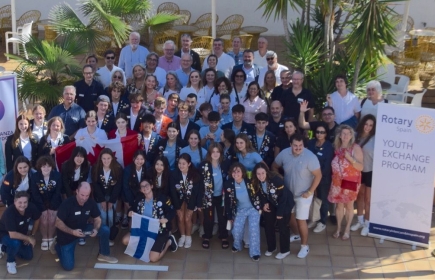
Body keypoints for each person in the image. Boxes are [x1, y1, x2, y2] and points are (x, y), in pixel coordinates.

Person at [272, 134, 322, 259]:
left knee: (301, 220)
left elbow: (318, 175)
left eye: (300, 145)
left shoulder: (310, 157)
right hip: (288, 194)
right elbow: (274, 166)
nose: (298, 148)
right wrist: (280, 178)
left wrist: (310, 192)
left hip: (304, 195)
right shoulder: (284, 153)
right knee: (290, 217)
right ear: (291, 145)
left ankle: (304, 246)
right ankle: (296, 234)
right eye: (295, 145)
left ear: (304, 145)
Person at [53, 182, 118, 271]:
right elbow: (57, 223)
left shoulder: (90, 202)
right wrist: (72, 232)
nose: (84, 198)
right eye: (82, 195)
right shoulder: (67, 203)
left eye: (87, 195)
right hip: (67, 234)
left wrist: (95, 229)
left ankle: (104, 254)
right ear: (77, 191)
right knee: (68, 267)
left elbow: (97, 219)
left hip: (83, 229)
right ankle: (57, 245)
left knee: (105, 230)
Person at [122, 178, 178, 261]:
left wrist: (166, 219)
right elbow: (132, 209)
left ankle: (169, 241)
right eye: (142, 186)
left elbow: (172, 211)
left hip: (159, 231)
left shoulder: (162, 198)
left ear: (151, 186)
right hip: (143, 230)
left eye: (147, 185)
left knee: (153, 258)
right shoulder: (139, 199)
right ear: (140, 190)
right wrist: (130, 212)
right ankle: (148, 246)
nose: (145, 187)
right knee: (125, 240)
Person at [327, 125, 363, 241]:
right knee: (339, 205)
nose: (346, 136)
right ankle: (338, 228)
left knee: (349, 205)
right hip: (337, 182)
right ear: (339, 135)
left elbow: (361, 167)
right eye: (343, 133)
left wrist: (350, 158)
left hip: (350, 181)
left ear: (352, 135)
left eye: (348, 133)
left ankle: (347, 229)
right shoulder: (336, 147)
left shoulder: (355, 148)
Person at [252, 162, 294, 259]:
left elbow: (284, 197)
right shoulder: (256, 181)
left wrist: (280, 213)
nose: (261, 176)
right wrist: (264, 203)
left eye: (262, 173)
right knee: (268, 224)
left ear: (266, 172)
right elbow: (259, 193)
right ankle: (272, 247)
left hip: (284, 204)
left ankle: (285, 250)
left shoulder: (276, 180)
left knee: (282, 226)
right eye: (258, 174)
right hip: (272, 202)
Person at [225, 162, 261, 261]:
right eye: (233, 171)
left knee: (254, 231)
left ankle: (255, 252)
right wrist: (229, 217)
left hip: (253, 209)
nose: (235, 173)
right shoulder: (229, 184)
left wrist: (261, 206)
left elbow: (259, 193)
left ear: (243, 172)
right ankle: (237, 245)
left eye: (238, 171)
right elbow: (227, 202)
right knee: (236, 230)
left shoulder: (250, 181)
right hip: (240, 209)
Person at [0, 192, 40, 274]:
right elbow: (12, 234)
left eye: (25, 202)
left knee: (28, 256)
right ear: (15, 202)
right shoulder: (9, 213)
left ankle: (4, 248)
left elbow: (37, 219)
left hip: (22, 234)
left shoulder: (31, 207)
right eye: (20, 202)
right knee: (15, 243)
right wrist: (28, 238)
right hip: (5, 234)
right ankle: (10, 261)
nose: (23, 205)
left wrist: (32, 234)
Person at [199, 143, 231, 249]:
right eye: (213, 151)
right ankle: (207, 236)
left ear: (221, 153)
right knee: (208, 217)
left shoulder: (226, 164)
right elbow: (199, 183)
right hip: (208, 197)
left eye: (218, 151)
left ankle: (224, 236)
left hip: (222, 196)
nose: (215, 154)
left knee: (222, 217)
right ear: (210, 153)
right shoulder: (204, 165)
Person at [169, 153, 202, 248]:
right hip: (178, 199)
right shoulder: (174, 174)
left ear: (189, 164)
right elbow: (173, 191)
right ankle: (182, 236)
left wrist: (194, 205)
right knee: (180, 217)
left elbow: (198, 191)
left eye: (184, 163)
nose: (181, 165)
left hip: (191, 199)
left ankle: (188, 237)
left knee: (188, 218)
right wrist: (177, 207)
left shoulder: (195, 175)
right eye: (179, 163)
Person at [351, 115, 376, 236]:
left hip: (370, 171)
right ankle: (359, 220)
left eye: (371, 125)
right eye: (366, 124)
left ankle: (367, 223)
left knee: (368, 199)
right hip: (358, 171)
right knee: (359, 197)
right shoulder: (356, 137)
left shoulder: (375, 139)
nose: (368, 127)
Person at [91, 148, 123, 245]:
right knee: (103, 216)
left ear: (112, 158)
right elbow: (95, 185)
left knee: (111, 215)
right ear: (100, 159)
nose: (106, 161)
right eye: (104, 158)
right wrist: (102, 200)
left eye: (108, 158)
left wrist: (112, 200)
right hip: (100, 197)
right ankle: (103, 235)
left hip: (112, 197)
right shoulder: (96, 168)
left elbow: (118, 185)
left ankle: (110, 235)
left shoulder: (117, 168)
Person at [30, 156, 62, 250]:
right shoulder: (35, 177)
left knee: (52, 218)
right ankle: (45, 238)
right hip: (40, 203)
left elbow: (58, 192)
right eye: (44, 166)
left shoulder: (57, 176)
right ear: (40, 167)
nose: (46, 168)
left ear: (52, 167)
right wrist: (43, 208)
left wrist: (51, 207)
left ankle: (51, 237)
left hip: (54, 202)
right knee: (43, 219)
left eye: (48, 166)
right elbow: (35, 194)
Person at [307, 123, 334, 233]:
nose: (319, 134)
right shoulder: (311, 143)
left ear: (326, 133)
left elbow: (327, 165)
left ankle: (322, 221)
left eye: (322, 132)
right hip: (309, 177)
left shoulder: (329, 146)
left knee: (323, 200)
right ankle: (313, 218)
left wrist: (317, 177)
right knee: (312, 199)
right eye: (318, 132)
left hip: (323, 178)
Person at [121, 150, 147, 229]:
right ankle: (126, 217)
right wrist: (132, 202)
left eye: (142, 159)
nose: (139, 161)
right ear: (133, 159)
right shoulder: (127, 170)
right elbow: (126, 187)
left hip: (142, 194)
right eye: (137, 159)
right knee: (130, 207)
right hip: (129, 194)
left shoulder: (147, 168)